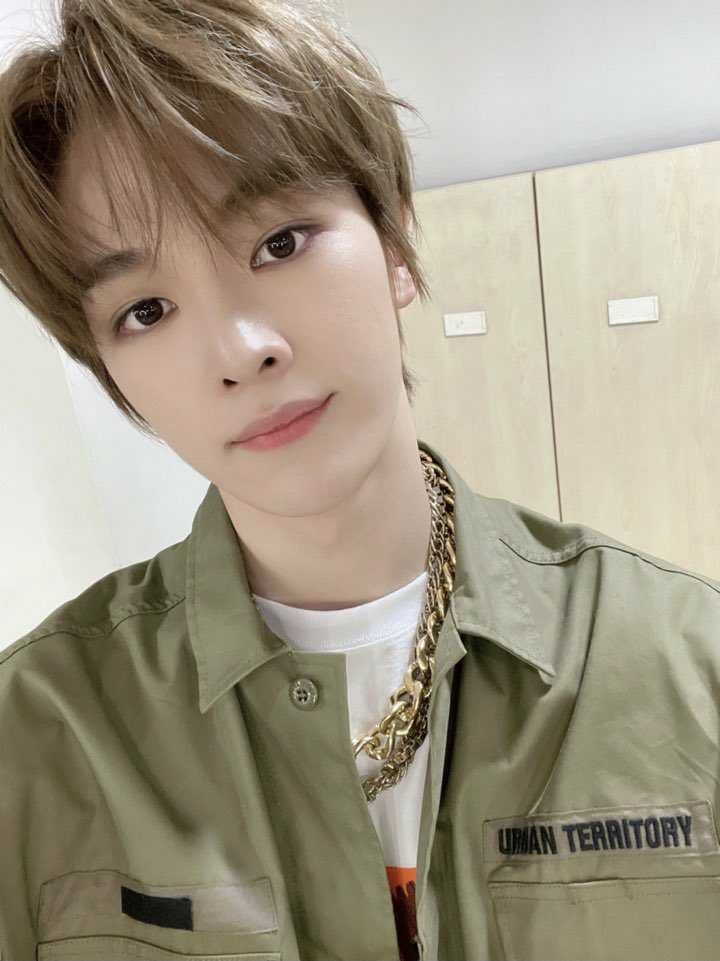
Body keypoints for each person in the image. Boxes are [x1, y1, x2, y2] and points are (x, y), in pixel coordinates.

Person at [2, 2, 720, 960]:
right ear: (110, 371)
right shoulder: (38, 737)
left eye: (280, 243)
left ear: (395, 246)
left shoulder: (687, 662)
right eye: (147, 309)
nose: (241, 349)